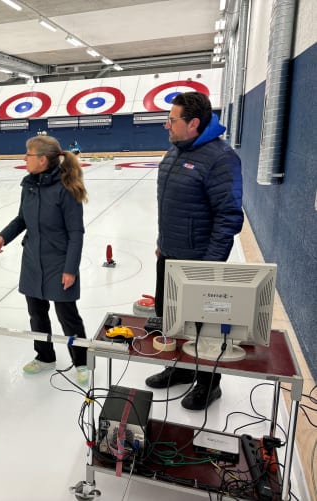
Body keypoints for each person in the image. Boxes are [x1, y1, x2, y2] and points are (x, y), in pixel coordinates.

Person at [146, 92, 243, 411]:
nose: (166, 125)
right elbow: (172, 203)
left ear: (194, 124)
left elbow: (228, 216)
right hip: (170, 254)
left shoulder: (220, 157)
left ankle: (208, 385)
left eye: (172, 120)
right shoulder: (176, 150)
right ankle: (183, 370)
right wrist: (163, 242)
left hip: (199, 260)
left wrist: (210, 266)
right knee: (172, 317)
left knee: (201, 327)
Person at [0, 135, 89, 385]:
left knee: (67, 316)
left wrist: (71, 269)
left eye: (29, 154)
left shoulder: (67, 188)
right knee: (36, 313)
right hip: (33, 259)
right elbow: (22, 219)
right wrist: (4, 235)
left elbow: (76, 233)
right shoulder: (29, 186)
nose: (25, 158)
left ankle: (81, 361)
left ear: (43, 160)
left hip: (59, 261)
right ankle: (44, 356)